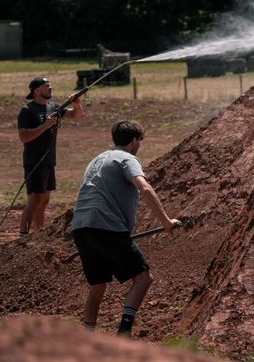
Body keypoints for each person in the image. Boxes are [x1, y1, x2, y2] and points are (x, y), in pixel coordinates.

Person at [71, 119, 180, 335]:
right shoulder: (127, 158)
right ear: (133, 141)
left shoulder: (97, 159)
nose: (139, 145)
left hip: (82, 226)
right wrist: (166, 222)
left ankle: (86, 337)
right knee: (143, 278)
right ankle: (124, 332)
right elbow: (145, 188)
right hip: (106, 225)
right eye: (139, 141)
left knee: (97, 285)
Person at [17, 76, 84, 236]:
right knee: (34, 200)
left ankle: (38, 234)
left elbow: (76, 116)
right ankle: (23, 236)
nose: (51, 88)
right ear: (37, 90)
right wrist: (45, 126)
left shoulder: (53, 107)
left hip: (49, 160)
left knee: (44, 201)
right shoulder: (27, 111)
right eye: (47, 86)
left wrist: (76, 104)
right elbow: (24, 136)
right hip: (34, 161)